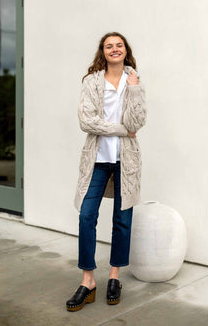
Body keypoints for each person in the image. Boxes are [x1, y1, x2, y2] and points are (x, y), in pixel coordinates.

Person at [66, 32, 147, 312]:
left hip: (127, 161)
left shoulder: (133, 80)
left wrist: (134, 89)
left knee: (122, 220)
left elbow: (139, 121)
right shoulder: (92, 81)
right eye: (109, 46)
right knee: (87, 215)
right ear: (103, 51)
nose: (114, 49)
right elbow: (86, 121)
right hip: (97, 160)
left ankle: (114, 277)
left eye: (119, 45)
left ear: (126, 50)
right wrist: (122, 130)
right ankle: (88, 280)